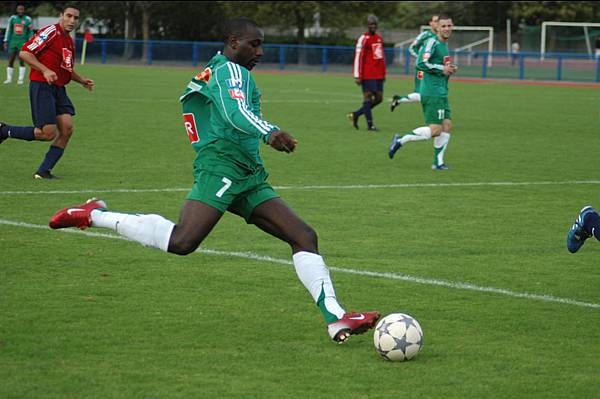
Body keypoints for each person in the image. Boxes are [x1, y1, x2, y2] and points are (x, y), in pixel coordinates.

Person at [48, 18, 380, 343]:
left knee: (304, 236)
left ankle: (335, 318)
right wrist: (270, 132)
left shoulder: (221, 68)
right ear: (234, 43)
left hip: (247, 173)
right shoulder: (229, 71)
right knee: (182, 241)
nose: (260, 52)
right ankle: (94, 215)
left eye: (262, 45)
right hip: (221, 166)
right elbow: (235, 112)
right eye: (254, 44)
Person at [0, 5, 94, 179]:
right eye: (69, 16)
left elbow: (66, 68)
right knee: (47, 133)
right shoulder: (50, 32)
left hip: (59, 89)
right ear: (61, 16)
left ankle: (44, 171)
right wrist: (44, 70)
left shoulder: (69, 41)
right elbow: (25, 53)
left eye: (76, 18)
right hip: (42, 85)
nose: (72, 21)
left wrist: (81, 80)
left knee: (67, 129)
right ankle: (4, 131)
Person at [388, 16, 457, 170]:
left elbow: (439, 65)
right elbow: (421, 63)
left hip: (441, 91)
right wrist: (442, 69)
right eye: (443, 26)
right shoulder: (432, 42)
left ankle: (438, 162)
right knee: (436, 129)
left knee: (446, 125)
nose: (446, 28)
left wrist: (449, 68)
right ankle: (400, 140)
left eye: (449, 25)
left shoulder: (444, 44)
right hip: (432, 92)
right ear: (437, 28)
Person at [390, 15, 439, 111]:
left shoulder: (440, 37)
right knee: (421, 94)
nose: (437, 23)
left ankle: (398, 100)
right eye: (435, 21)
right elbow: (412, 48)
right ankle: (435, 119)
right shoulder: (425, 35)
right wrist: (421, 60)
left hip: (433, 68)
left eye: (439, 21)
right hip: (423, 68)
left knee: (431, 93)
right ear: (430, 23)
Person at [347, 15, 386, 132]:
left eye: (375, 24)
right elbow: (358, 57)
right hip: (367, 73)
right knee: (368, 97)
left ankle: (356, 114)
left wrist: (383, 73)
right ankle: (370, 125)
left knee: (379, 98)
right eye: (371, 24)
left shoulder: (379, 38)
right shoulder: (363, 38)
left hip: (378, 74)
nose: (373, 26)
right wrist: (357, 75)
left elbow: (381, 57)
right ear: (367, 25)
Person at [3, 4, 33, 85]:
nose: (20, 11)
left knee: (21, 61)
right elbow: (9, 30)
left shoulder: (27, 19)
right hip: (13, 42)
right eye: (19, 9)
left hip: (23, 42)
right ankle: (9, 79)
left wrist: (30, 41)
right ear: (17, 10)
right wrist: (6, 40)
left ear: (24, 10)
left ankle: (20, 79)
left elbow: (30, 32)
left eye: (22, 9)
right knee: (11, 60)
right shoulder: (13, 18)